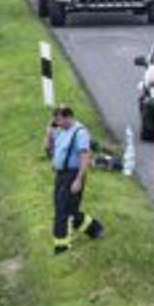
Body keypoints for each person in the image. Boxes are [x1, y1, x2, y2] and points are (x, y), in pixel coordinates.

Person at [45, 105, 104, 255]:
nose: (57, 123)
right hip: (61, 175)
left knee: (62, 212)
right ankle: (95, 228)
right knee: (67, 210)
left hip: (73, 175)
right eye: (55, 121)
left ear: (68, 117)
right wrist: (48, 135)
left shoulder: (80, 133)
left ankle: (62, 248)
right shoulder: (60, 131)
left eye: (59, 120)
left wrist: (78, 180)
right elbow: (49, 150)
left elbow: (85, 157)